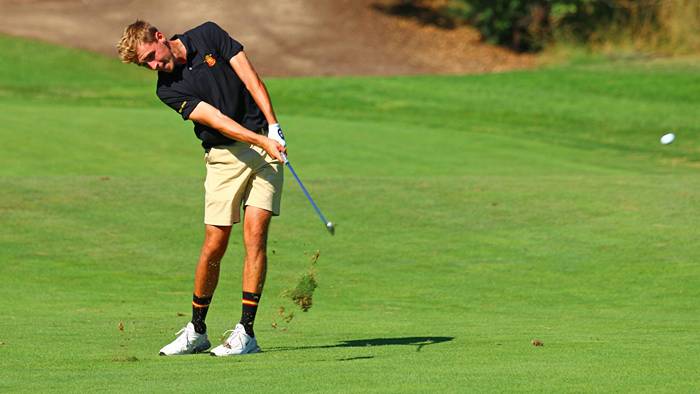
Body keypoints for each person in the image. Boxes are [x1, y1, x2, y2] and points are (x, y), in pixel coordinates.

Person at [117, 20, 287, 357]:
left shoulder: (209, 35)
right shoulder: (167, 89)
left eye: (151, 56)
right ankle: (197, 329)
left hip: (266, 147)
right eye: (145, 64)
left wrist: (273, 125)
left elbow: (249, 76)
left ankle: (247, 334)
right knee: (215, 242)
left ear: (160, 38)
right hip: (224, 157)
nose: (153, 66)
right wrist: (260, 140)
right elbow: (215, 119)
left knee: (255, 236)